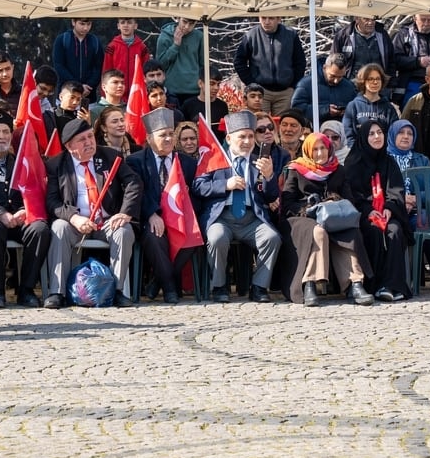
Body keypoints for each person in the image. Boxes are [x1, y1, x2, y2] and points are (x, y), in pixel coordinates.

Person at [44, 119, 141, 309]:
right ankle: (58, 292)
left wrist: (125, 213)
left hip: (106, 221)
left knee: (124, 230)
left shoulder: (111, 156)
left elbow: (133, 183)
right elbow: (53, 201)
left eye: (90, 136)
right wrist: (74, 217)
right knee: (59, 227)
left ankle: (117, 291)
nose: (89, 142)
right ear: (69, 146)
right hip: (76, 222)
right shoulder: (56, 164)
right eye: (82, 140)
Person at [192, 111, 281, 303]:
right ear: (229, 138)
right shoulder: (215, 158)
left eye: (250, 136)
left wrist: (269, 177)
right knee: (216, 238)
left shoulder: (260, 160)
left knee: (272, 237)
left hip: (252, 217)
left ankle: (258, 287)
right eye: (242, 137)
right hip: (222, 217)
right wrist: (225, 185)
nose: (248, 141)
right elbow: (198, 187)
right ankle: (219, 286)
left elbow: (271, 196)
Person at [280, 132, 374, 306]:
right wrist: (310, 209)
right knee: (318, 231)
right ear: (307, 150)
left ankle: (355, 284)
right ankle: (310, 283)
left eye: (323, 148)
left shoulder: (338, 169)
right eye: (315, 149)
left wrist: (334, 199)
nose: (319, 153)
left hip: (332, 216)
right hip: (302, 217)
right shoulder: (296, 170)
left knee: (348, 231)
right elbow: (287, 204)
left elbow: (350, 200)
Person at [0, 109, 52, 308]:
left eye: (6, 132)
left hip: (20, 215)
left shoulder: (21, 160)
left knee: (40, 229)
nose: (2, 136)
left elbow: (36, 188)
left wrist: (27, 209)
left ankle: (26, 290)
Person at [125, 108, 199, 304]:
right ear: (149, 138)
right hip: (150, 217)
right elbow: (137, 192)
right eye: (162, 135)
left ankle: (157, 282)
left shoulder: (187, 163)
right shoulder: (135, 161)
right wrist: (151, 214)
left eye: (170, 134)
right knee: (154, 236)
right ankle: (169, 288)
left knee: (194, 236)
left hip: (179, 218)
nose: (168, 139)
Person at [343, 120, 412, 301]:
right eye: (372, 134)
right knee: (373, 231)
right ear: (364, 137)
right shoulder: (353, 163)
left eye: (380, 133)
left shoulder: (389, 162)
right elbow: (352, 194)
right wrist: (368, 211)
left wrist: (389, 208)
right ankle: (372, 285)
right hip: (364, 215)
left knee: (395, 231)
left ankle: (392, 286)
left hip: (387, 213)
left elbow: (397, 190)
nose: (377, 137)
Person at [386, 119, 430, 290]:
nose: (406, 137)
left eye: (410, 133)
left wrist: (415, 199)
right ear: (392, 135)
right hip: (392, 211)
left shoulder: (422, 160)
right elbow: (380, 188)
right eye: (401, 133)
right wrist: (401, 199)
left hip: (416, 211)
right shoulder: (384, 159)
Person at [233, 16, 307, 114]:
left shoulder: (291, 35)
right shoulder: (251, 35)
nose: (267, 22)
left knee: (283, 126)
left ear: (279, 19)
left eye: (271, 18)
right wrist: (251, 83)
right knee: (260, 125)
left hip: (285, 91)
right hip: (260, 91)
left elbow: (300, 61)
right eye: (263, 18)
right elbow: (239, 61)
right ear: (259, 18)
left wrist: (293, 85)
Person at [291, 52, 356, 123]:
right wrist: (325, 110)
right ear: (324, 67)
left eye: (340, 77)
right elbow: (297, 109)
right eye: (332, 76)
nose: (336, 81)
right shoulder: (306, 84)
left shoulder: (349, 86)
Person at [342, 63, 397, 148]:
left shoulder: (389, 108)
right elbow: (348, 134)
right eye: (370, 79)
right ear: (363, 81)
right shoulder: (353, 106)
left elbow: (393, 134)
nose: (375, 82)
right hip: (358, 154)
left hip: (382, 155)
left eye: (378, 79)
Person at [156, 17, 203, 105]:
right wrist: (175, 46)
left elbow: (203, 65)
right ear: (178, 19)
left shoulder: (199, 36)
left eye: (191, 24)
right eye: (184, 22)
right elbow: (160, 65)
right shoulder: (165, 36)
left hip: (194, 90)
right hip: (172, 90)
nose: (187, 26)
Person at [331, 16, 395, 80]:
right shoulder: (343, 36)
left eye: (373, 20)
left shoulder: (382, 35)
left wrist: (391, 81)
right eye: (366, 19)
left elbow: (391, 60)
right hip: (351, 84)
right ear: (357, 19)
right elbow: (334, 61)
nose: (370, 23)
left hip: (377, 84)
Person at [51, 18, 103, 97]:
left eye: (88, 24)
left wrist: (89, 85)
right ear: (73, 22)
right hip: (67, 93)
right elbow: (59, 66)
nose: (85, 28)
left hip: (89, 95)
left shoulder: (95, 41)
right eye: (82, 24)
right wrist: (77, 86)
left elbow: (99, 67)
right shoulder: (62, 39)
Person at [102, 18, 150, 95]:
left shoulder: (142, 47)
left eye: (129, 22)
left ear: (135, 26)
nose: (126, 25)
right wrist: (105, 93)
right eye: (122, 22)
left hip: (136, 92)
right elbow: (106, 70)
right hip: (116, 92)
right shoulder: (112, 47)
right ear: (118, 26)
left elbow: (146, 71)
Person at [180, 66, 229, 140]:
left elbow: (223, 131)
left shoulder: (222, 106)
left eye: (218, 84)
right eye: (211, 83)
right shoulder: (189, 104)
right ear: (200, 83)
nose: (216, 88)